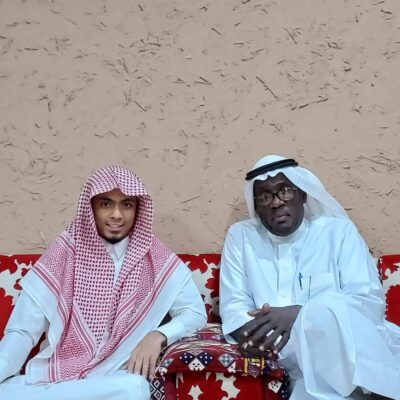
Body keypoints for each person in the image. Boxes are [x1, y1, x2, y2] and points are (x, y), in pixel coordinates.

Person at [0, 165, 206, 400]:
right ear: (91, 208)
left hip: (112, 380)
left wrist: (158, 335)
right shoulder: (63, 253)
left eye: (126, 205)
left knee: (133, 388)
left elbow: (194, 313)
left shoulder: (156, 258)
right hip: (56, 378)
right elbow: (22, 332)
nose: (117, 215)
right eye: (106, 204)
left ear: (137, 209)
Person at [219, 155, 400, 400]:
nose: (276, 202)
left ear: (303, 195)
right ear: (257, 208)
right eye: (264, 197)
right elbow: (234, 306)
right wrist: (253, 339)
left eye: (285, 191)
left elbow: (366, 303)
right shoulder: (241, 237)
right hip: (287, 361)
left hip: (348, 354)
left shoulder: (338, 233)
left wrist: (300, 315)